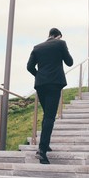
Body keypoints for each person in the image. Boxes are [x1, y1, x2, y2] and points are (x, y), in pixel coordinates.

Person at [27, 28, 73, 164]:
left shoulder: (37, 47)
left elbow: (29, 67)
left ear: (49, 35)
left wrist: (40, 76)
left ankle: (45, 145)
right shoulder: (61, 44)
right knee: (49, 117)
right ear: (58, 36)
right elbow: (69, 62)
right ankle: (42, 151)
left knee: (47, 114)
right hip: (54, 84)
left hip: (41, 85)